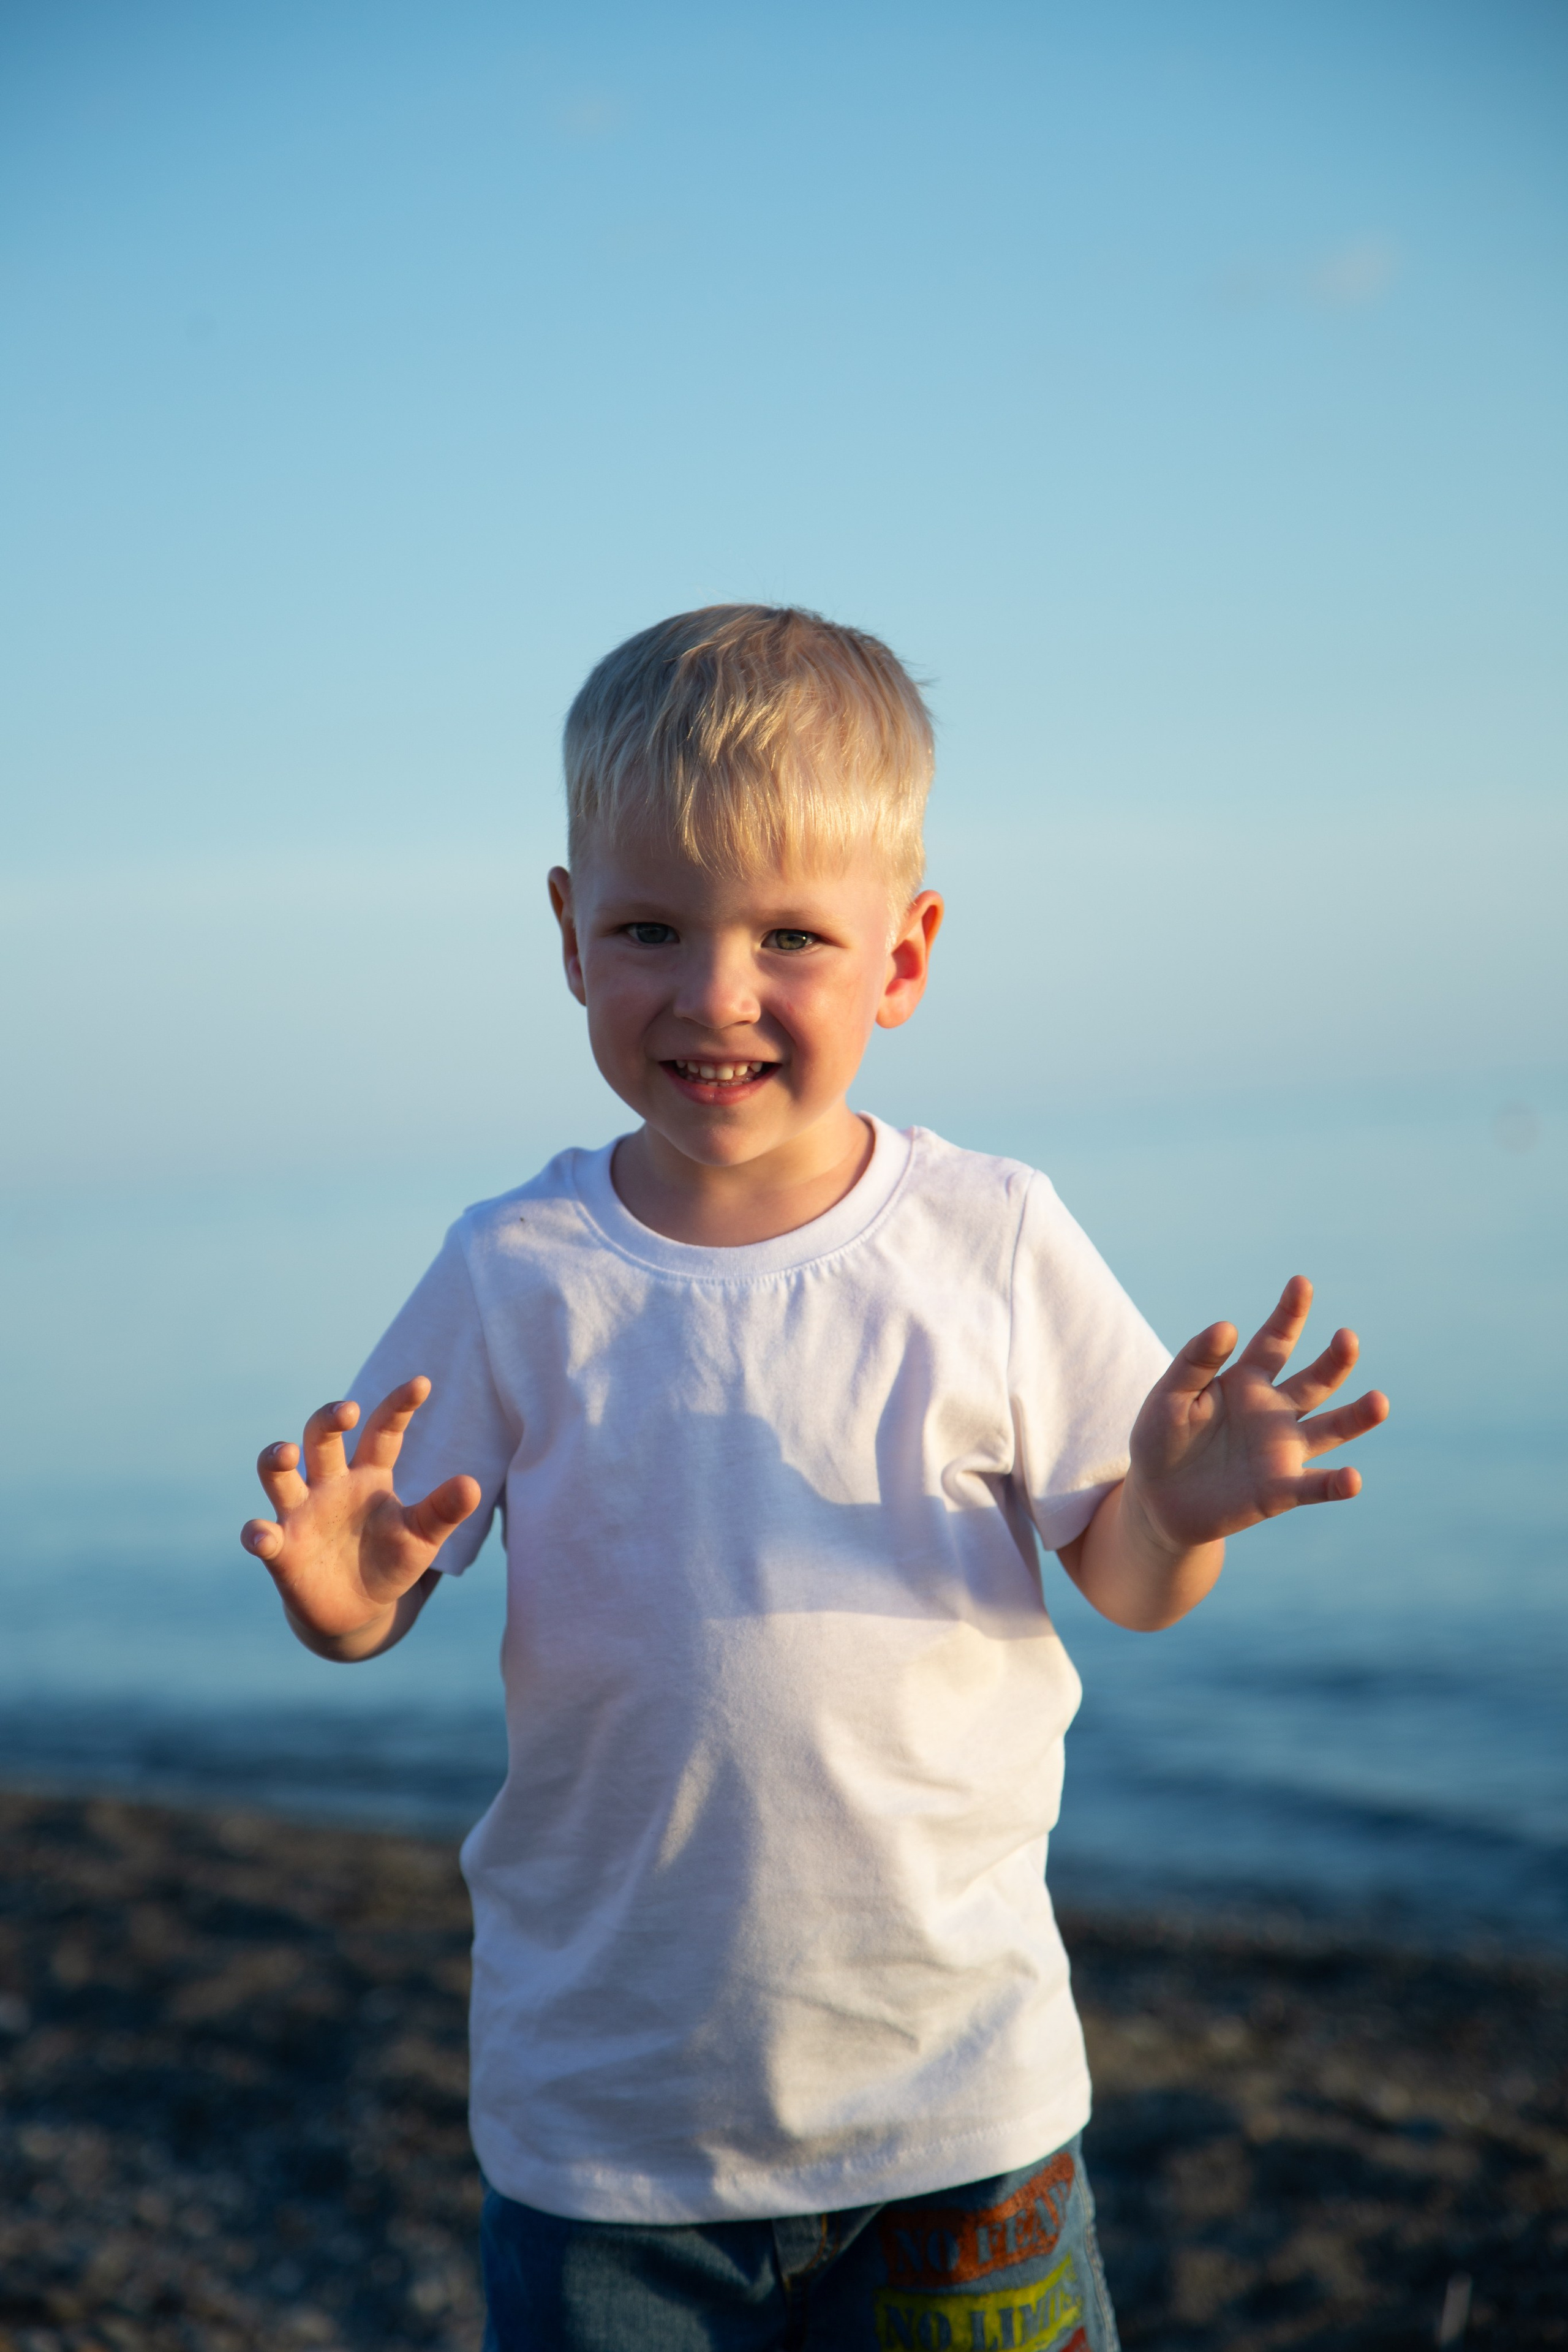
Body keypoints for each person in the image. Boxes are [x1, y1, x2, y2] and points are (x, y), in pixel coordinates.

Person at [241, 605, 1389, 2351]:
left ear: (904, 957)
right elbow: (382, 1589)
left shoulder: (989, 1239)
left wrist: (1178, 1505)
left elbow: (1133, 1584)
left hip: (957, 2106)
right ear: (568, 934)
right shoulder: (518, 1267)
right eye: (651, 928)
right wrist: (346, 1602)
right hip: (609, 2129)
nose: (714, 994)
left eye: (791, 936)